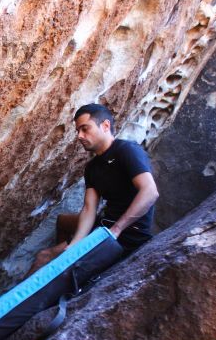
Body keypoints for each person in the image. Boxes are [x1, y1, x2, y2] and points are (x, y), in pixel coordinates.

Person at [27, 103, 159, 275]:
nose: (80, 136)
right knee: (51, 245)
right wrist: (74, 245)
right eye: (77, 131)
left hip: (126, 236)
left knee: (44, 258)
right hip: (103, 228)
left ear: (105, 126)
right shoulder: (92, 167)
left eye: (85, 129)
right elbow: (89, 208)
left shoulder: (126, 150)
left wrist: (116, 230)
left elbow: (150, 192)